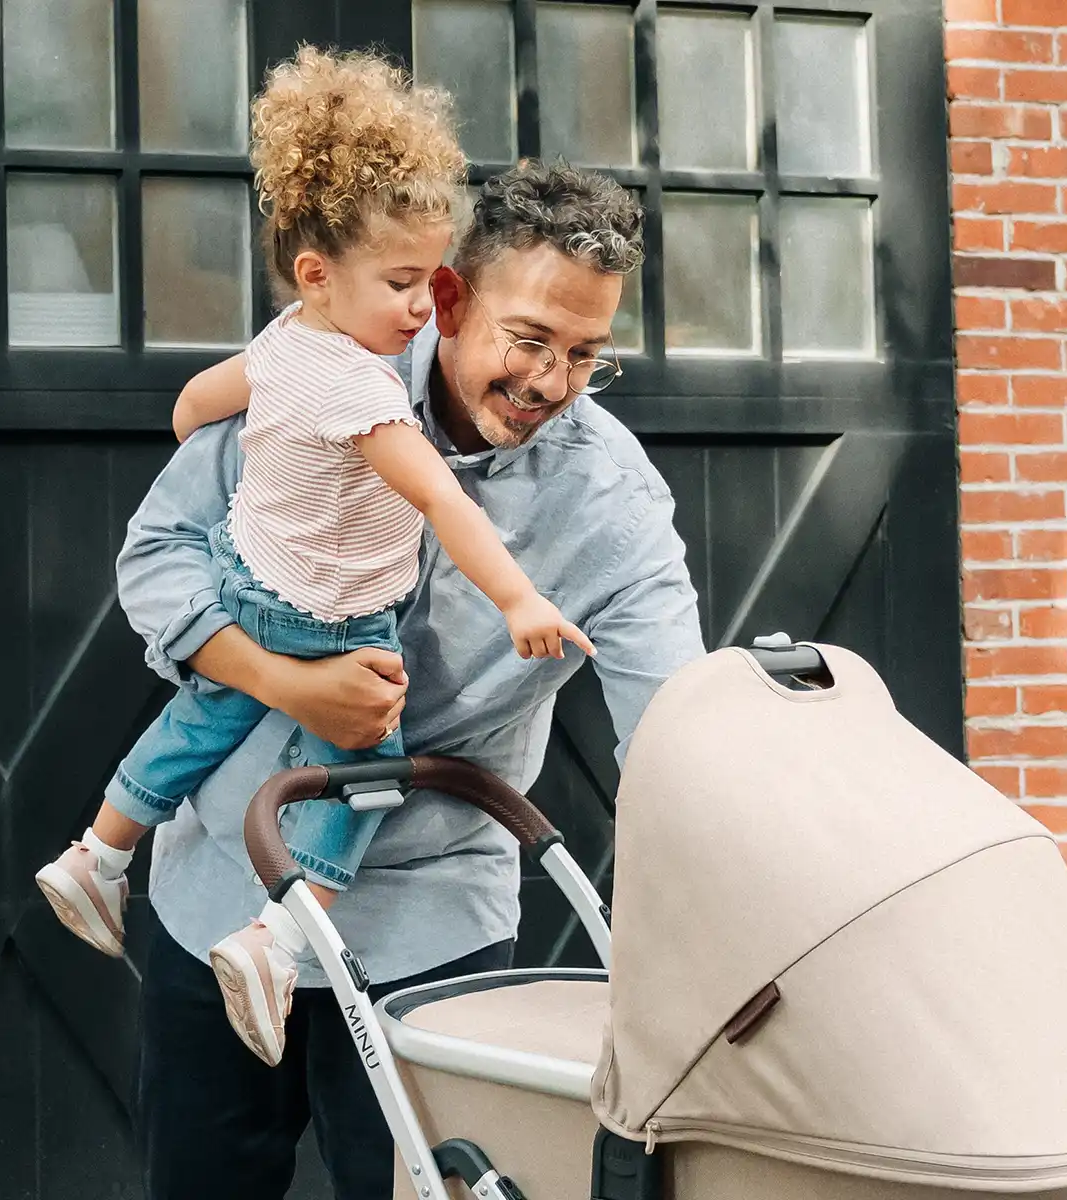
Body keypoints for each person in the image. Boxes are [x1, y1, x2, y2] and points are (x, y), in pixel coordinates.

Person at [121, 158, 707, 1200]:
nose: (549, 385)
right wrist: (280, 682)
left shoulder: (611, 501)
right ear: (447, 296)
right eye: (528, 340)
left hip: (430, 938)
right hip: (216, 896)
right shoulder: (318, 368)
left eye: (585, 356)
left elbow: (678, 730)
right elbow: (158, 554)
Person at [32, 48, 593, 1068]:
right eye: (404, 282)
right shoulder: (368, 393)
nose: (425, 307)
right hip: (337, 618)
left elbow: (204, 397)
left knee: (200, 714)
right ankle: (278, 937)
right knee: (359, 768)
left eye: (432, 279)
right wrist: (518, 599)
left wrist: (198, 429)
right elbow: (441, 503)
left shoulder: (289, 341)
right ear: (317, 273)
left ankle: (97, 853)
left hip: (252, 590)